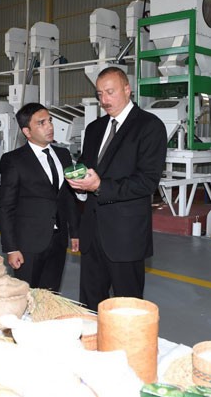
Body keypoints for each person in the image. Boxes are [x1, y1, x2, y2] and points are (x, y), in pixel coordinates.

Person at [66, 66, 167, 311]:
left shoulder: (149, 126)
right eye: (100, 94)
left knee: (127, 310)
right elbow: (86, 168)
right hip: (92, 234)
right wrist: (79, 186)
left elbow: (147, 181)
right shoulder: (94, 129)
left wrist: (100, 186)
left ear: (127, 89)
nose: (104, 100)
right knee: (90, 306)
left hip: (125, 236)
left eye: (110, 92)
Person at [0, 103, 80, 291]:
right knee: (27, 296)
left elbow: (68, 197)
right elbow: (6, 207)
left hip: (58, 240)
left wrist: (75, 231)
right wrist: (11, 248)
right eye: (41, 123)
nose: (49, 126)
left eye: (49, 121)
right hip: (28, 243)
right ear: (26, 131)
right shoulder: (14, 160)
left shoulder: (63, 155)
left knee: (51, 295)